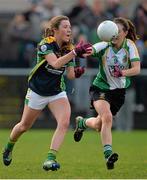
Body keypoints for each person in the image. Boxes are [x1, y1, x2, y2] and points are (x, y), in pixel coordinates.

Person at [2, 15, 92, 171]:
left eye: (70, 27)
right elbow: (56, 64)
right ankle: (8, 147)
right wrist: (74, 53)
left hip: (56, 92)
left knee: (64, 122)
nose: (69, 29)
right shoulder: (45, 44)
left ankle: (50, 159)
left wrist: (78, 72)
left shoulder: (70, 48)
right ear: (55, 30)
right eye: (65, 27)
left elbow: (69, 74)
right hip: (37, 91)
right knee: (24, 126)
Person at [73, 17, 140, 170]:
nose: (114, 34)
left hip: (118, 93)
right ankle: (108, 155)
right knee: (107, 118)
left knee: (99, 124)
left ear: (125, 32)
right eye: (112, 31)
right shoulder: (105, 45)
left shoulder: (130, 46)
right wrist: (82, 51)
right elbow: (90, 50)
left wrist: (122, 72)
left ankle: (82, 123)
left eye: (117, 31)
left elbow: (136, 69)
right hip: (100, 88)